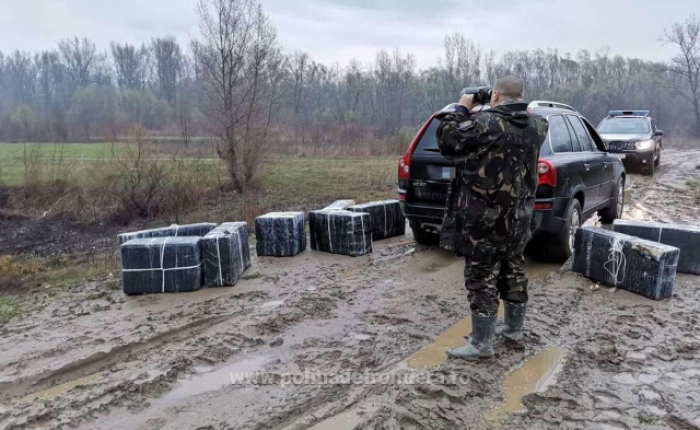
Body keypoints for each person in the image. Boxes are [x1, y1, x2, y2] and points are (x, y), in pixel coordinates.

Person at [435, 75, 549, 360]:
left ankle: (481, 344)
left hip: (484, 219)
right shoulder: (538, 125)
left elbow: (447, 139)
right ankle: (513, 328)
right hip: (519, 217)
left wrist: (462, 106)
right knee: (514, 267)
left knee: (481, 276)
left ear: (495, 95)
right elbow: (528, 116)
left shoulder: (486, 124)